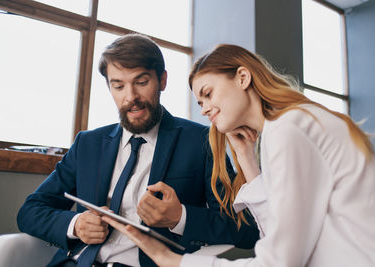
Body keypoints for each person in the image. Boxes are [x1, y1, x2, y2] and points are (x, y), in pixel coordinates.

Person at [102, 44, 375, 267]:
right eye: (199, 102)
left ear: (242, 77)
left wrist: (175, 261)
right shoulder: (285, 127)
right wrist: (248, 163)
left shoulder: (289, 128)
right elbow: (277, 236)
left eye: (208, 93)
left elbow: (278, 262)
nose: (204, 108)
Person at [17, 35, 259, 267]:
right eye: (118, 86)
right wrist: (76, 224)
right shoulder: (87, 143)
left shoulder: (201, 140)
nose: (130, 97)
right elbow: (30, 211)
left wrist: (180, 217)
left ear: (162, 80)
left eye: (141, 82)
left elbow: (246, 229)